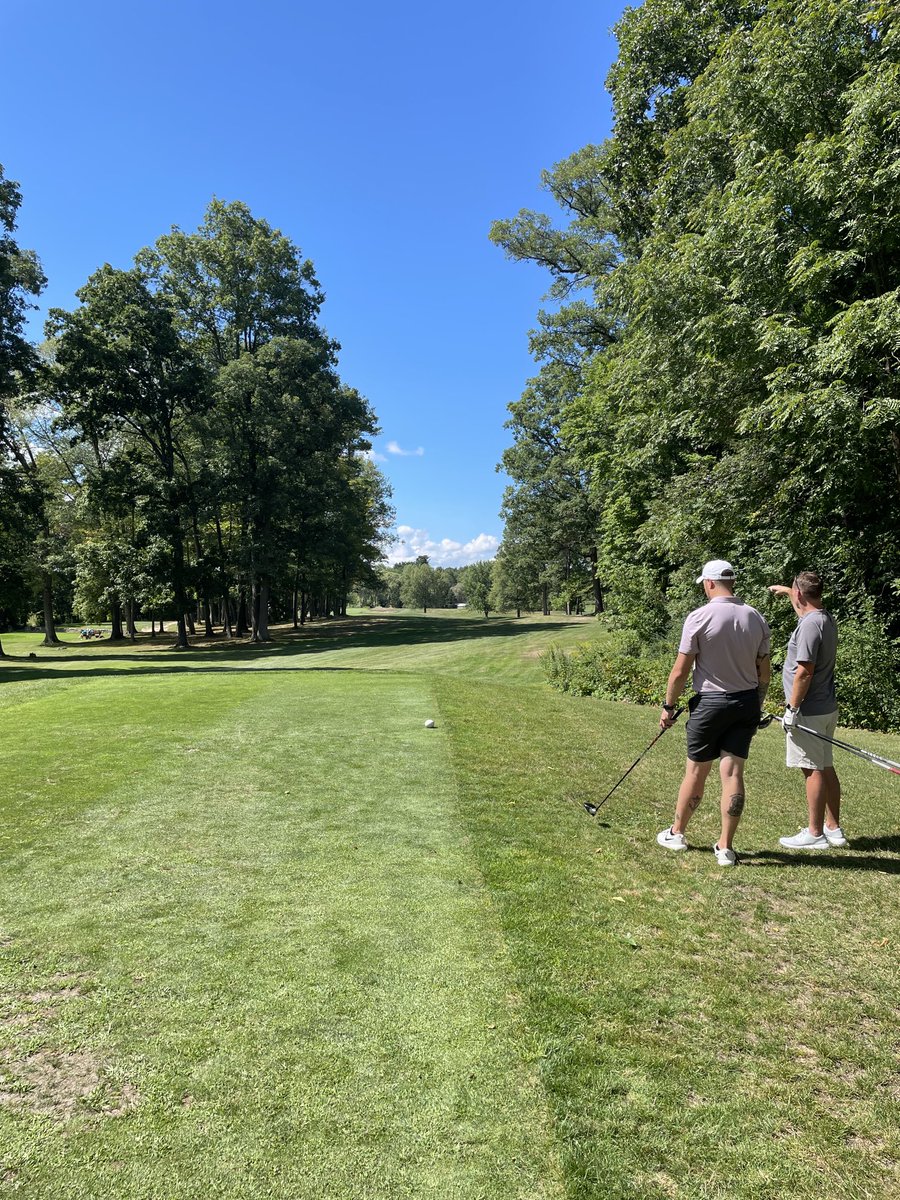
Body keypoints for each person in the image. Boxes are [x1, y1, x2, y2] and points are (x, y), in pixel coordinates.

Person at [657, 559, 771, 866]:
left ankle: (677, 833)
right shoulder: (755, 617)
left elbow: (680, 671)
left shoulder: (699, 617)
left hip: (710, 704)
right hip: (746, 703)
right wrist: (757, 705)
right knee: (732, 773)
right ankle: (726, 847)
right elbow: (764, 673)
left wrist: (668, 707)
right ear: (731, 582)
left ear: (709, 583)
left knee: (696, 771)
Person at [768, 571, 845, 850]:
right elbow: (803, 605)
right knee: (824, 766)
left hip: (808, 710)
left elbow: (804, 672)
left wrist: (792, 708)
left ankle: (814, 833)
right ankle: (833, 828)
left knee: (811, 770)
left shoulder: (810, 625)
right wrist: (788, 591)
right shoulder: (824, 617)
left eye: (794, 591)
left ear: (800, 594)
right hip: (825, 707)